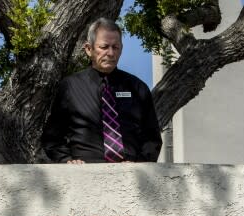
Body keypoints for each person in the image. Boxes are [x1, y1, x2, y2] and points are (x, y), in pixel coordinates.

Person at [41, 18, 162, 164]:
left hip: (131, 175)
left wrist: (140, 164)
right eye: (104, 47)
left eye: (115, 47)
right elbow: (52, 137)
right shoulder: (70, 87)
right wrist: (67, 160)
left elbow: (152, 138)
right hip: (84, 174)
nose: (110, 53)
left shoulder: (137, 88)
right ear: (88, 49)